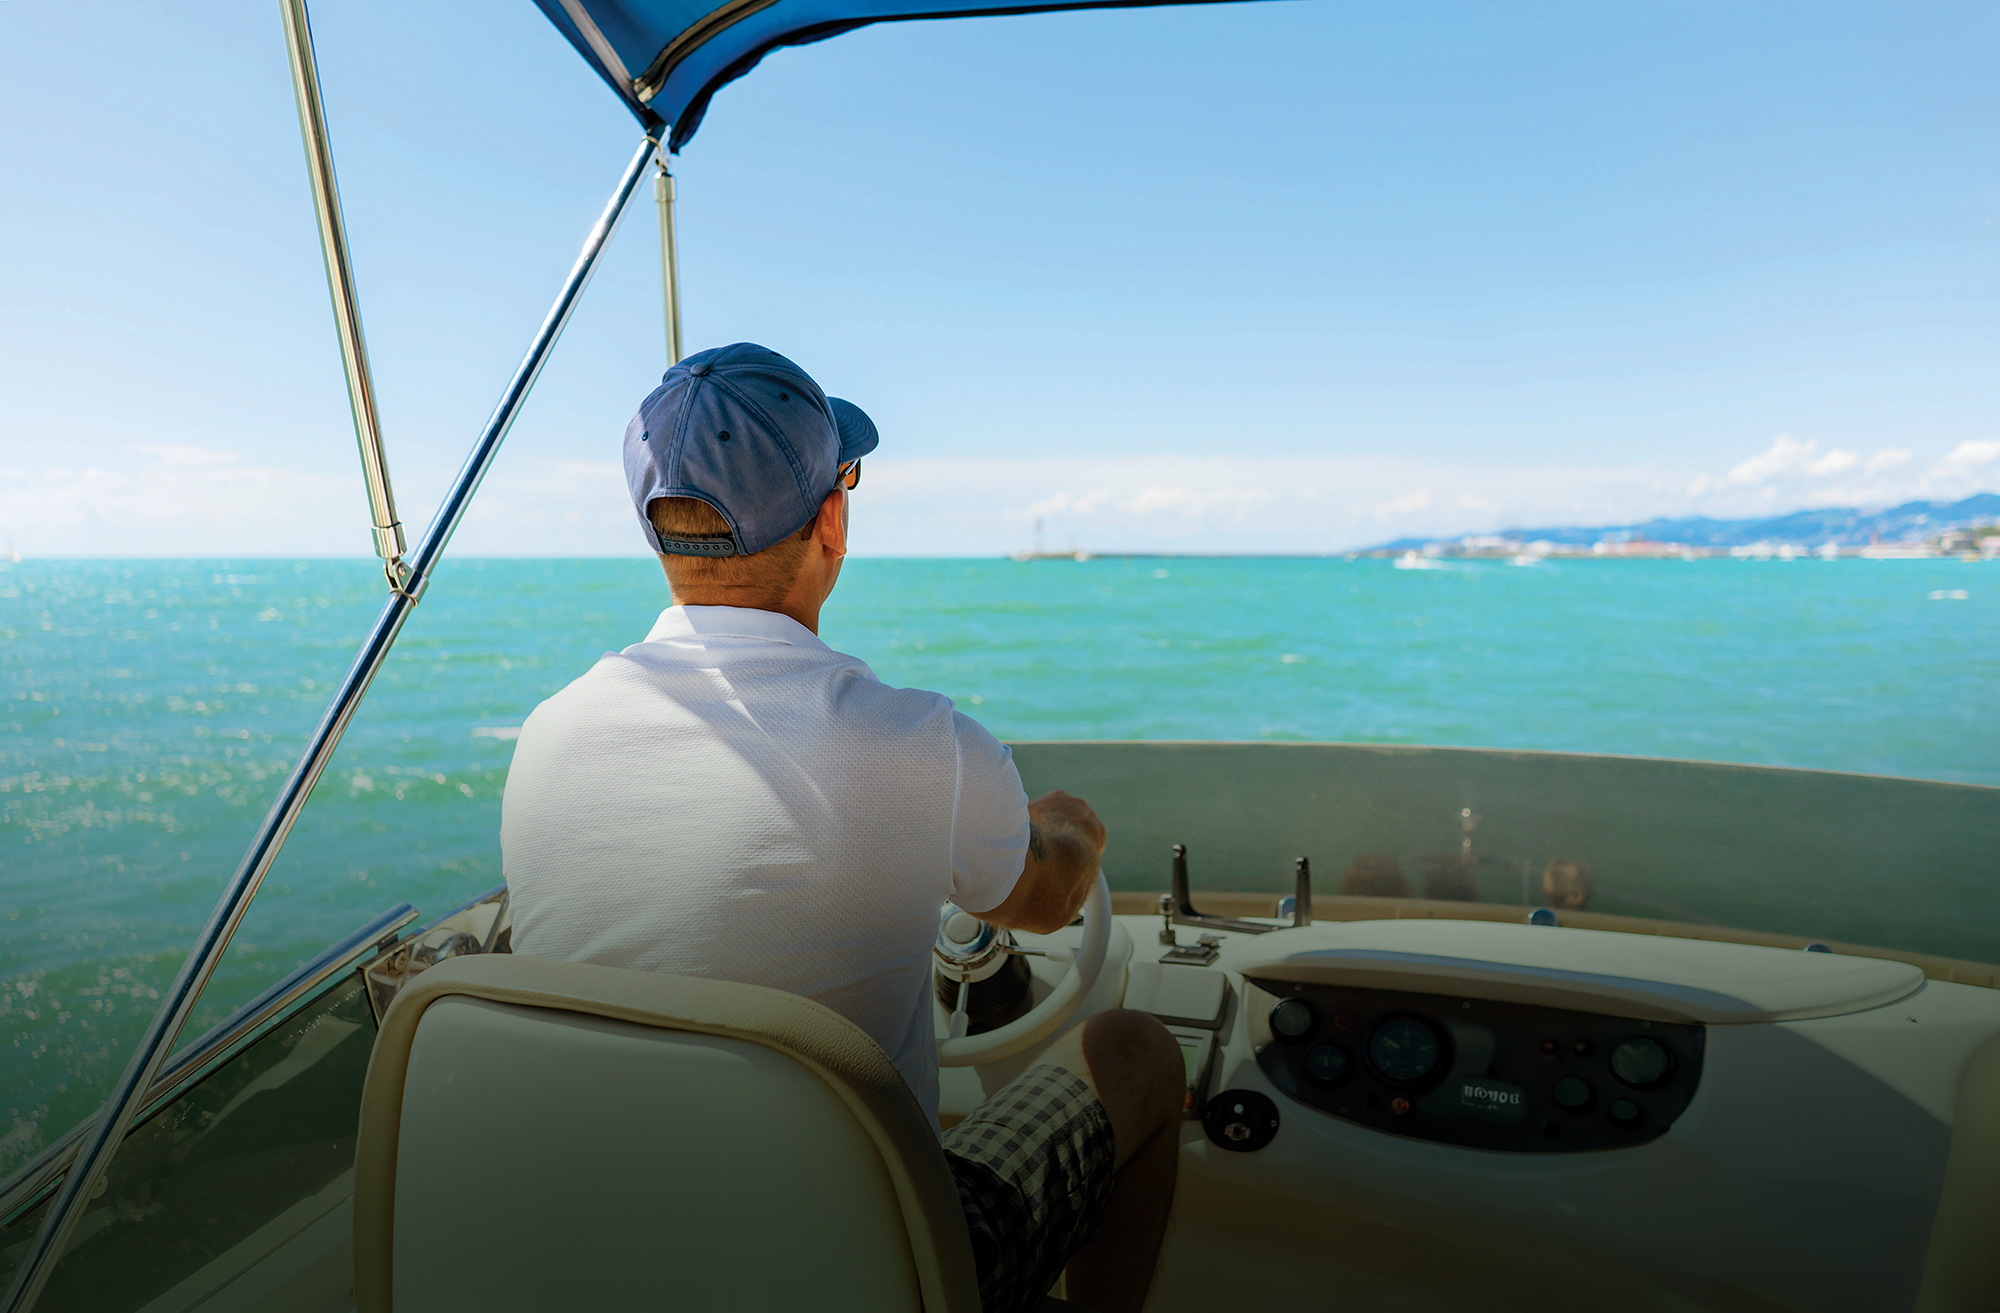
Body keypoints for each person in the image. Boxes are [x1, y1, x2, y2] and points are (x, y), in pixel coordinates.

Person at [500, 343, 1183, 1313]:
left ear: (656, 532)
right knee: (1132, 1052)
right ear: (832, 515)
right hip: (859, 1263)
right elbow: (1044, 899)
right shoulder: (923, 742)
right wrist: (1067, 829)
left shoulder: (549, 732)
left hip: (609, 1249)